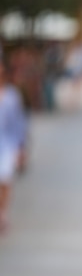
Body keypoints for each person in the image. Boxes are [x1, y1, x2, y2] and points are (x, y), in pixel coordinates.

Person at [0, 59, 28, 232]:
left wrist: (20, 147)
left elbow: (19, 123)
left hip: (7, 144)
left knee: (5, 180)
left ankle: (3, 213)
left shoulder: (12, 95)